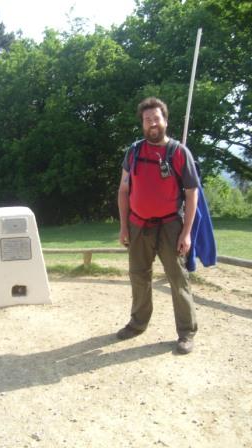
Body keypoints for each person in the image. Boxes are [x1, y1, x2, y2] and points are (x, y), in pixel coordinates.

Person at [117, 97, 199, 354]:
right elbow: (123, 190)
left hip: (170, 225)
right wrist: (123, 227)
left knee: (178, 278)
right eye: (147, 119)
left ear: (165, 120)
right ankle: (138, 323)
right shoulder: (133, 152)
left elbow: (191, 194)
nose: (152, 123)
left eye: (156, 118)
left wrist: (185, 233)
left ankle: (186, 332)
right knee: (138, 276)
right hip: (138, 225)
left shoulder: (178, 152)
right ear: (142, 123)